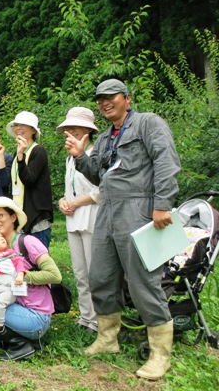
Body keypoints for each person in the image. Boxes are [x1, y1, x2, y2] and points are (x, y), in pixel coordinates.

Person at [65, 79, 181, 379]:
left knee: (143, 279)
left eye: (111, 97)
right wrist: (80, 156)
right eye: (100, 99)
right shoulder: (104, 139)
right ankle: (107, 338)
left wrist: (163, 203)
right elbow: (98, 178)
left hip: (139, 208)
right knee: (100, 275)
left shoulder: (148, 124)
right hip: (108, 209)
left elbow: (166, 162)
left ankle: (160, 353)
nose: (105, 102)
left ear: (127, 98)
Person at [0, 197, 62, 361]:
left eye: (0, 215)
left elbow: (55, 276)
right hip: (11, 307)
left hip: (35, 315)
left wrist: (21, 275)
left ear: (13, 217)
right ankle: (22, 339)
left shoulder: (28, 242)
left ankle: (20, 345)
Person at [56, 107, 101, 333]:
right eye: (67, 128)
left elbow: (101, 192)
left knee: (95, 272)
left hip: (93, 217)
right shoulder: (69, 159)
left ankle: (99, 321)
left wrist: (74, 203)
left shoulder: (97, 155)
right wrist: (64, 201)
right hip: (73, 219)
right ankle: (86, 318)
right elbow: (69, 190)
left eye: (75, 128)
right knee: (80, 272)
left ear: (88, 131)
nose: (70, 132)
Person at [7, 111, 53, 248]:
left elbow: (29, 180)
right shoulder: (17, 153)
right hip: (21, 214)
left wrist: (21, 157)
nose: (18, 128)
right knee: (22, 261)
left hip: (36, 217)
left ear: (33, 130)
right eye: (16, 125)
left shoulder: (38, 151)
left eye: (23, 125)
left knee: (38, 260)